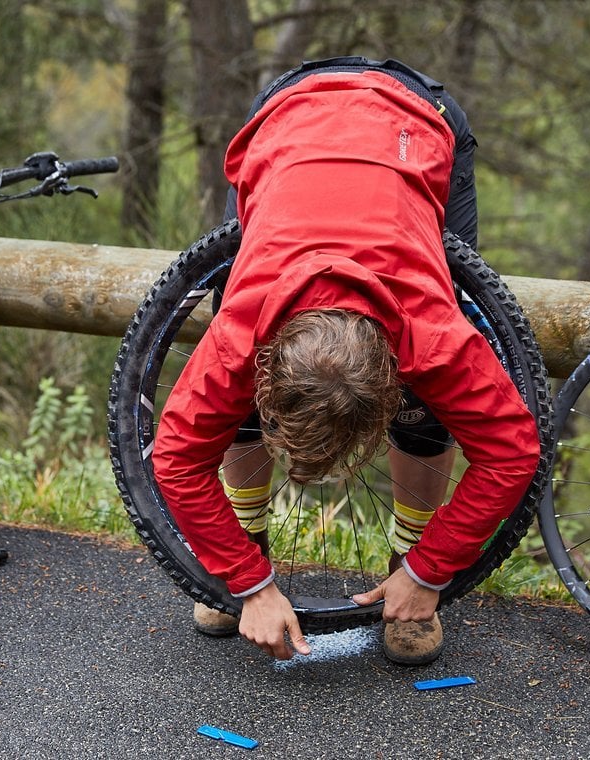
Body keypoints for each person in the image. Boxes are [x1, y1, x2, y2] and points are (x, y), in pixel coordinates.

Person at [151, 56, 541, 665]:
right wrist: (245, 580)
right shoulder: (244, 329)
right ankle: (244, 542)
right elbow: (177, 458)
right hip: (288, 116)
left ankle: (406, 571)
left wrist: (431, 569)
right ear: (270, 355)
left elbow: (513, 449)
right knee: (230, 410)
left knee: (428, 412)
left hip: (418, 120)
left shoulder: (430, 334)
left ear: (394, 365)